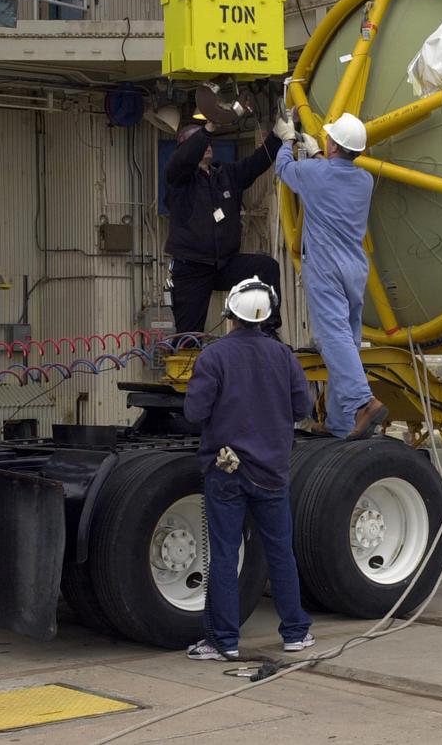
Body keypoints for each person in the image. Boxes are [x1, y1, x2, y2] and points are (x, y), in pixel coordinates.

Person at [182, 276, 314, 661]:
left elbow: (194, 412)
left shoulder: (214, 357)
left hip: (226, 471)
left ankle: (223, 640)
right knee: (280, 552)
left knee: (224, 553)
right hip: (272, 472)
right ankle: (295, 632)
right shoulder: (284, 357)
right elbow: (302, 409)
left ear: (231, 313)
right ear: (267, 314)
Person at [272, 111, 387, 440]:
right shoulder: (364, 180)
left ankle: (363, 403)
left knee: (332, 337)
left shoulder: (314, 173)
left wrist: (288, 140)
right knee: (347, 341)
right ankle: (339, 423)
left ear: (334, 144)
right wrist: (320, 154)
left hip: (325, 266)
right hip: (354, 267)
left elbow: (285, 169)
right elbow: (329, 173)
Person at [164, 120, 285, 336]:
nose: (208, 144)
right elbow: (181, 162)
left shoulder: (225, 174)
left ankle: (268, 331)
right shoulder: (179, 179)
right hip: (192, 268)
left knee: (267, 267)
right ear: (187, 148)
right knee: (188, 337)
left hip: (225, 263)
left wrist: (276, 135)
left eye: (208, 141)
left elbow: (256, 163)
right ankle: (187, 361)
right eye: (200, 141)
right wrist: (207, 129)